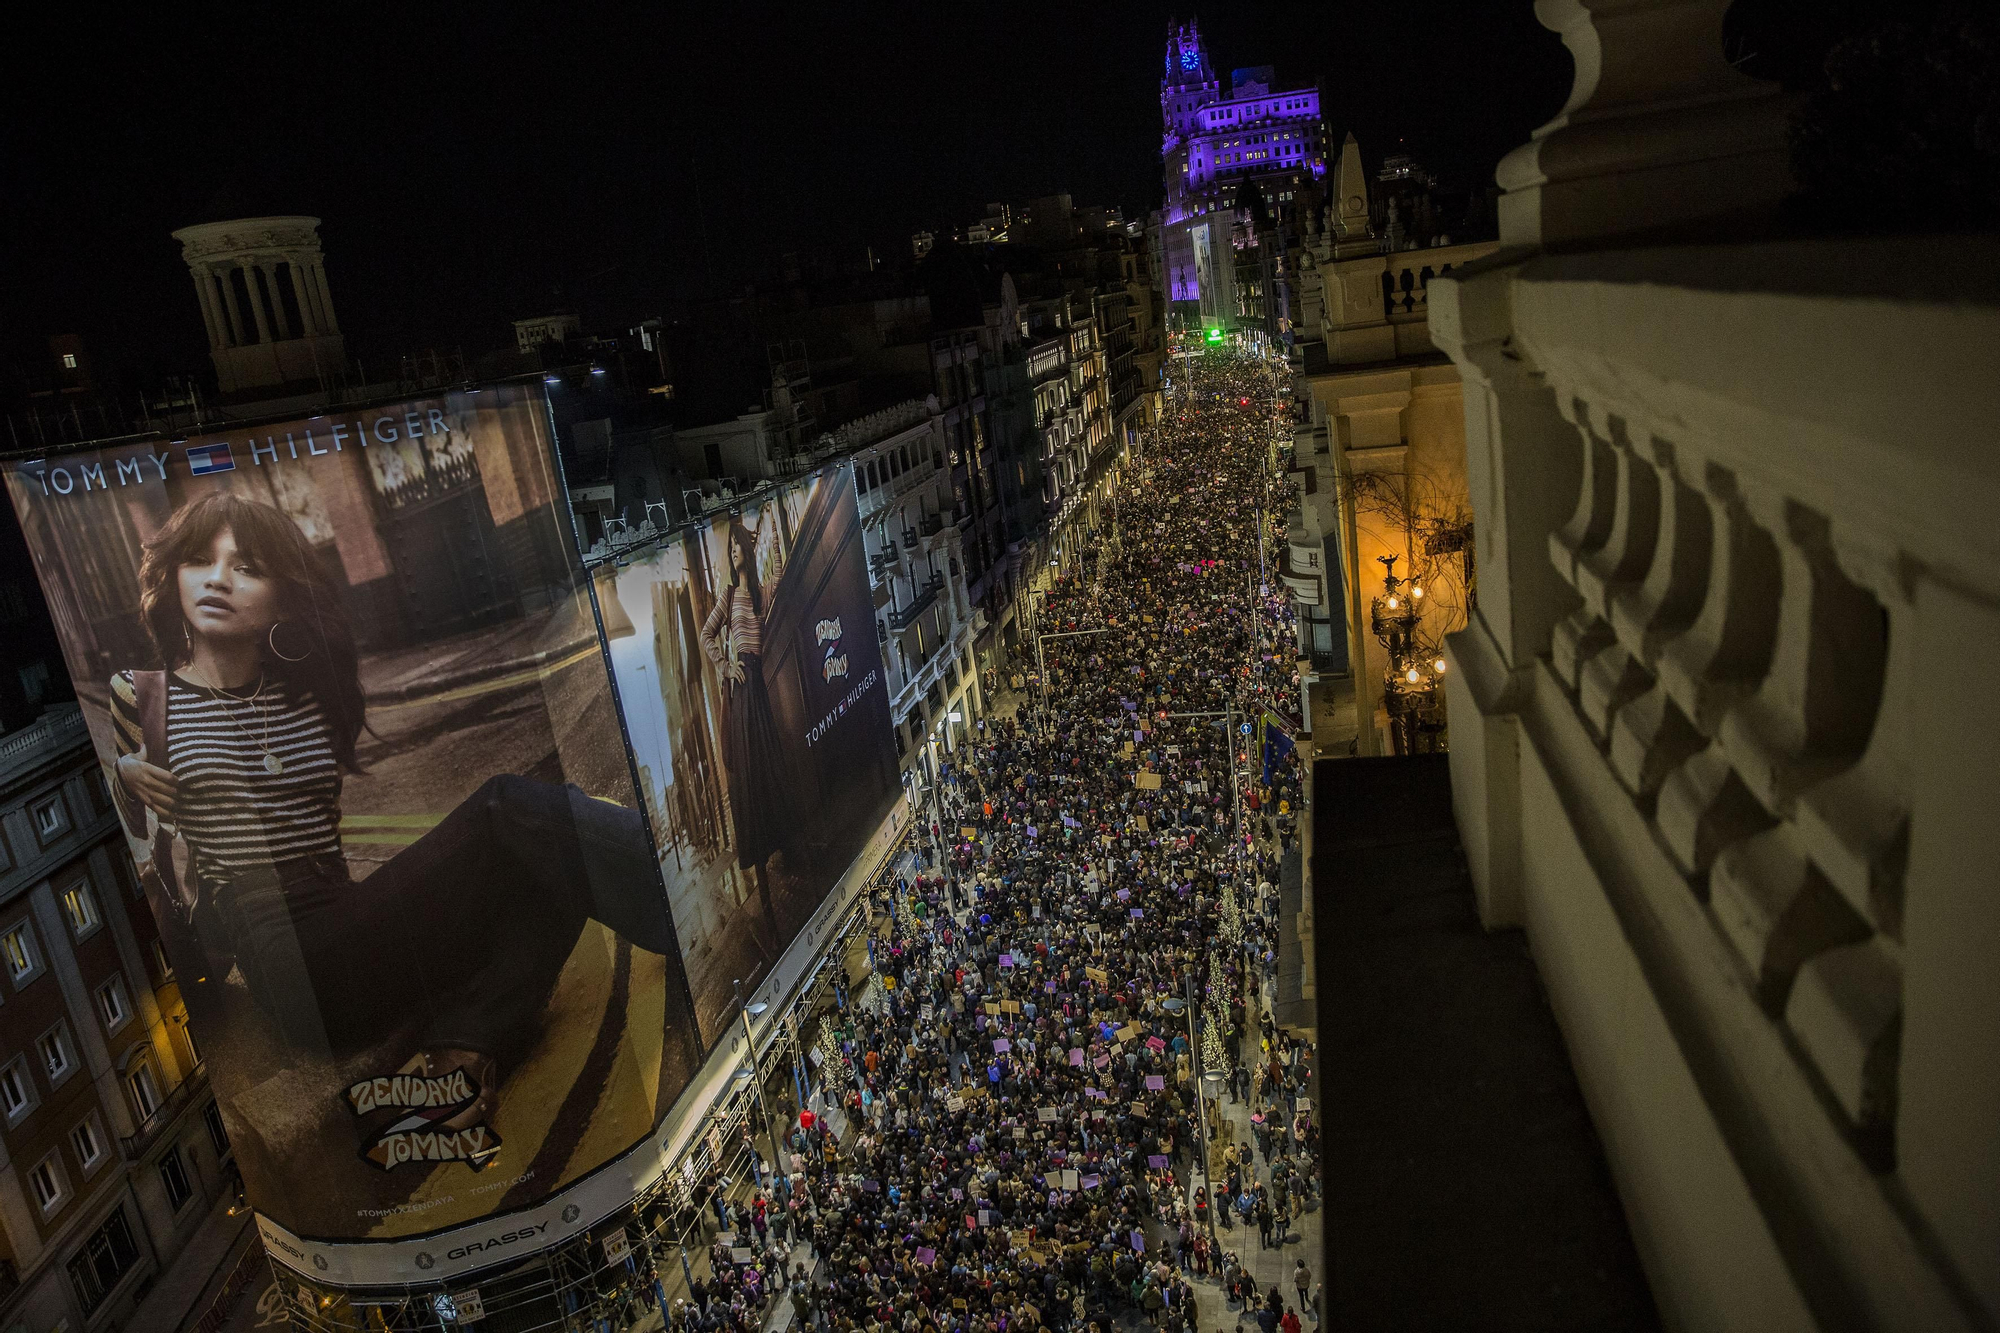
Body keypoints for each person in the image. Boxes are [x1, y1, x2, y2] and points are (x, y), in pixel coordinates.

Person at [109, 492, 680, 1131]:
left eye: (246, 567)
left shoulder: (304, 690)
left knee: (547, 859)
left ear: (282, 596)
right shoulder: (142, 696)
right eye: (198, 560)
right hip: (289, 964)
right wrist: (124, 777)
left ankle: (468, 1042)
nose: (217, 579)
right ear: (173, 573)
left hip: (349, 921)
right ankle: (674, 881)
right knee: (505, 808)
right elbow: (145, 842)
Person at [701, 517, 795, 959]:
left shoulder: (758, 593)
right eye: (731, 549)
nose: (734, 552)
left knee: (771, 769)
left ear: (747, 549)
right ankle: (767, 903)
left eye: (738, 546)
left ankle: (785, 853)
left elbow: (780, 574)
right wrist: (725, 666)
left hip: (759, 688)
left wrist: (771, 529)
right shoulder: (727, 596)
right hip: (741, 693)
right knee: (751, 781)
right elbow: (707, 634)